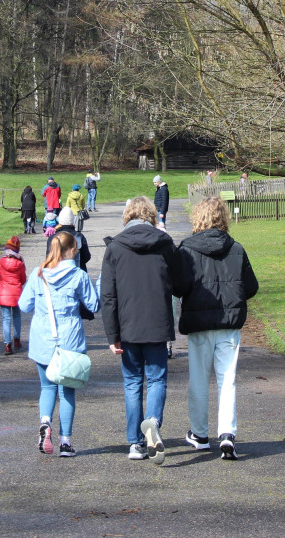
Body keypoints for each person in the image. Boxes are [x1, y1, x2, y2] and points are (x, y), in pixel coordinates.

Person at [100, 196, 184, 465]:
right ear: (151, 215)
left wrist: (112, 335)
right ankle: (153, 422)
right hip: (157, 321)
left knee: (132, 382)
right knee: (157, 379)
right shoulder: (165, 244)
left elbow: (108, 296)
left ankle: (135, 442)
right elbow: (178, 282)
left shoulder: (115, 248)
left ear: (127, 215)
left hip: (128, 325)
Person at [177, 198, 258, 460]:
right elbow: (251, 286)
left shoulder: (186, 249)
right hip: (228, 324)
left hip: (199, 324)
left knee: (199, 380)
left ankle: (200, 434)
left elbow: (178, 287)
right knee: (227, 380)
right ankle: (226, 434)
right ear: (224, 217)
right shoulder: (236, 248)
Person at [18, 232, 100, 458]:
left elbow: (24, 306)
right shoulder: (78, 275)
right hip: (69, 341)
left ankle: (45, 423)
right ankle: (65, 442)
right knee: (67, 393)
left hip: (43, 339)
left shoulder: (38, 274)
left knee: (46, 387)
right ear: (71, 251)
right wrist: (100, 283)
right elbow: (93, 305)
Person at [0, 236, 28, 356]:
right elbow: (23, 280)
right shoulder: (20, 263)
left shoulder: (0, 262)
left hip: (4, 294)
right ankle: (17, 339)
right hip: (16, 293)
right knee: (16, 315)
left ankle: (7, 345)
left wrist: (1, 282)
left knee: (6, 319)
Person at [46, 207, 91, 272]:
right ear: (72, 221)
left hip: (56, 273)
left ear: (60, 220)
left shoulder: (52, 238)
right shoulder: (79, 236)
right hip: (77, 272)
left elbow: (48, 257)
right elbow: (86, 257)